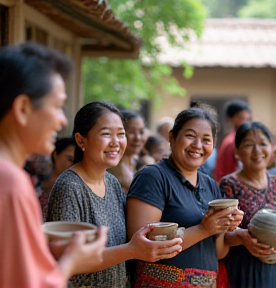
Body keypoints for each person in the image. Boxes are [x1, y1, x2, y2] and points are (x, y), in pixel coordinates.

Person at [0, 42, 108, 288]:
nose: (61, 122)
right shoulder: (11, 182)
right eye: (57, 106)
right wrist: (72, 262)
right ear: (23, 108)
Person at [47, 101, 183, 288]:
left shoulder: (111, 183)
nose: (116, 142)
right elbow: (68, 261)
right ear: (80, 140)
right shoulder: (69, 187)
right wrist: (131, 250)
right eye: (106, 134)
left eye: (120, 134)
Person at [126, 103, 244, 287]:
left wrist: (224, 226)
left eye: (206, 139)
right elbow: (142, 243)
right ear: (172, 138)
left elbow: (218, 252)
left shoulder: (210, 185)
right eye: (190, 136)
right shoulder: (153, 177)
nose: (198, 145)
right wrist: (204, 229)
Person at [219, 121, 276, 288]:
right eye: (249, 144)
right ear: (237, 152)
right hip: (245, 268)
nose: (257, 151)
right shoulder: (229, 184)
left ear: (273, 149)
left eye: (263, 144)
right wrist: (242, 237)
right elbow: (220, 233)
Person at [108, 109, 146, 193]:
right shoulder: (110, 166)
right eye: (132, 132)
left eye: (141, 132)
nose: (138, 138)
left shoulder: (141, 163)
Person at [214, 99, 252, 182]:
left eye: (247, 119)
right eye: (241, 118)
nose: (245, 122)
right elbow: (229, 170)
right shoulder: (232, 141)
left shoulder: (234, 138)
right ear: (231, 118)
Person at [39, 137, 75, 221]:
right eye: (69, 159)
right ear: (55, 155)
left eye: (77, 161)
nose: (73, 164)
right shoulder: (37, 181)